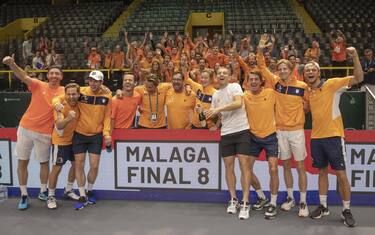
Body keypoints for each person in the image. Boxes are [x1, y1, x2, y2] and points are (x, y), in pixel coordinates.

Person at [304, 47, 363, 227]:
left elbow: (359, 78)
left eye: (313, 69)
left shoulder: (332, 84)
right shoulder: (308, 91)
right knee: (321, 172)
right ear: (304, 75)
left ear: (319, 72)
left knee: (341, 174)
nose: (310, 72)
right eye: (307, 71)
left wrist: (355, 56)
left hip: (334, 137)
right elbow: (305, 110)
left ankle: (346, 209)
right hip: (316, 138)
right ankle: (323, 206)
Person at [2, 56, 64, 210]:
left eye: (57, 74)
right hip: (25, 129)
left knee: (44, 163)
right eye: (52, 73)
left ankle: (43, 191)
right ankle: (24, 195)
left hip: (45, 133)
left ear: (61, 77)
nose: (54, 76)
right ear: (47, 75)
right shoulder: (38, 85)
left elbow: (86, 91)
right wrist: (12, 64)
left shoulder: (65, 91)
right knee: (23, 162)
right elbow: (23, 75)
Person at [257, 34, 310, 217]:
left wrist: (305, 107)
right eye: (280, 68)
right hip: (280, 131)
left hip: (296, 131)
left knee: (301, 166)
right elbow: (262, 67)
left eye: (285, 68)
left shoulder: (302, 86)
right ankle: (290, 197)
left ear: (291, 69)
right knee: (286, 166)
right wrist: (261, 48)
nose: (282, 71)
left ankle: (303, 202)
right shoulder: (275, 83)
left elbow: (309, 106)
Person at [205, 67, 253, 220]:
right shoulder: (215, 95)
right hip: (226, 133)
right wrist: (205, 113)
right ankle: (234, 199)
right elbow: (217, 116)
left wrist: (218, 108)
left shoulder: (235, 87)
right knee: (228, 167)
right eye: (219, 73)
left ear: (229, 76)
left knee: (244, 166)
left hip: (242, 131)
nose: (222, 75)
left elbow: (238, 104)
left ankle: (246, 202)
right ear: (216, 77)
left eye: (225, 73)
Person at [72, 70, 112, 210]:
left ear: (101, 82)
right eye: (91, 80)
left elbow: (107, 116)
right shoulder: (80, 91)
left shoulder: (107, 95)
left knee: (94, 166)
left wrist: (107, 134)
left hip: (96, 136)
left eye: (96, 81)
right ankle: (82, 194)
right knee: (79, 165)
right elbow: (63, 96)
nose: (93, 83)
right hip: (79, 134)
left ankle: (89, 190)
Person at [243, 71, 279, 219]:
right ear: (247, 82)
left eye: (256, 79)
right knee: (246, 169)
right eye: (251, 80)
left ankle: (273, 203)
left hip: (271, 136)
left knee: (273, 168)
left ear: (261, 81)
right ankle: (261, 197)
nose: (253, 82)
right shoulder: (244, 96)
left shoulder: (271, 93)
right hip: (252, 137)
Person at [47, 83, 81, 209]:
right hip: (60, 142)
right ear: (65, 94)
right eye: (69, 94)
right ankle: (50, 196)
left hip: (75, 140)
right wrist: (68, 118)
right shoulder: (60, 107)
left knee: (76, 165)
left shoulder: (80, 102)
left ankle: (68, 189)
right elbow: (59, 126)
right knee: (57, 168)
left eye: (74, 94)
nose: (71, 96)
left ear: (78, 94)